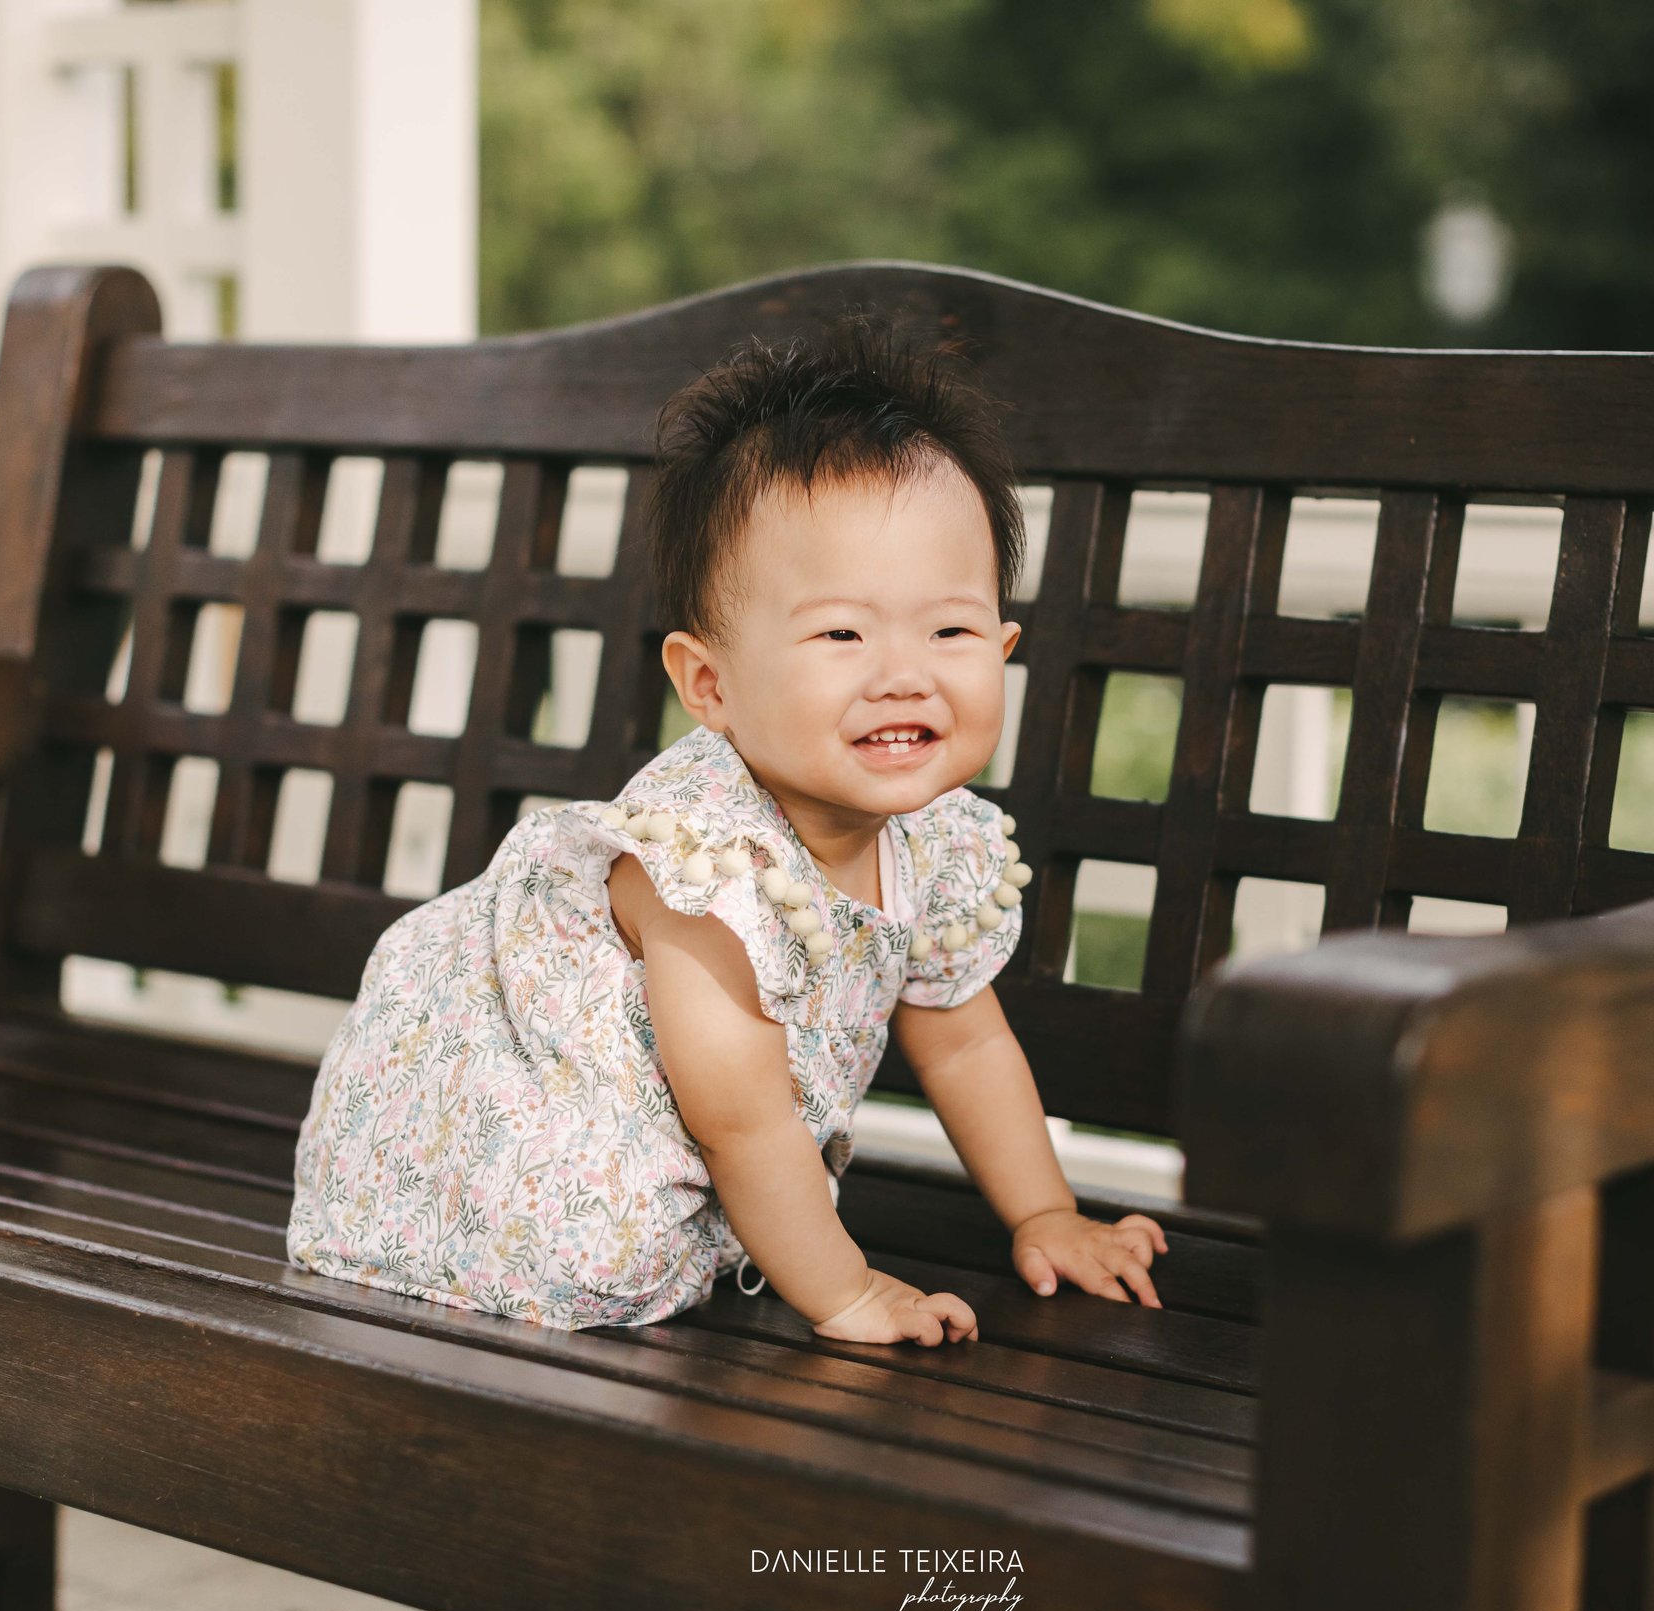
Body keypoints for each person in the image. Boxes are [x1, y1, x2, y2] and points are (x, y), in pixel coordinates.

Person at [285, 315, 1169, 1343]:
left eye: (951, 629)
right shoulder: (698, 864)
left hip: (724, 1161)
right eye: (841, 632)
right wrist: (844, 1290)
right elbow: (739, 1116)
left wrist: (1044, 1212)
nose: (903, 670)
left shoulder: (932, 839)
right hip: (507, 1161)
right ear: (709, 682)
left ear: (1004, 645)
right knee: (615, 1242)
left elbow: (964, 1040)